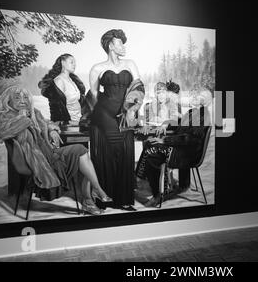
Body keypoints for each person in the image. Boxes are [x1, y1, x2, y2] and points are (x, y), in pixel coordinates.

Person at [0, 86, 111, 215]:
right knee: (82, 156)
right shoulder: (3, 117)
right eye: (17, 97)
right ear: (8, 100)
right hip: (36, 161)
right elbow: (1, 133)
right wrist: (22, 119)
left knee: (82, 151)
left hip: (48, 153)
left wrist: (52, 129)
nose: (22, 100)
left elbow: (45, 122)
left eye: (25, 97)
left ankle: (93, 194)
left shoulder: (32, 112)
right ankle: (92, 196)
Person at [89, 29, 145, 211]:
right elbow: (94, 96)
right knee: (111, 153)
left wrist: (132, 109)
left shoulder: (130, 63)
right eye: (120, 43)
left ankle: (124, 200)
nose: (123, 46)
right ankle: (106, 198)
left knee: (125, 153)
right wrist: (97, 116)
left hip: (125, 114)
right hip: (104, 114)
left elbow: (138, 88)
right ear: (110, 45)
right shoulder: (97, 68)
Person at [136, 87, 212, 207]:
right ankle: (141, 179)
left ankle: (156, 193)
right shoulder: (192, 112)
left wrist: (164, 140)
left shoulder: (202, 115)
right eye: (192, 95)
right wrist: (166, 124)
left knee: (152, 150)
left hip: (188, 154)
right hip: (181, 149)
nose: (192, 97)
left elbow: (189, 139)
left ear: (203, 101)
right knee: (150, 143)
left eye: (196, 96)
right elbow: (180, 128)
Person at [38, 54, 85, 124]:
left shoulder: (73, 80)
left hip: (79, 120)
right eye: (71, 62)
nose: (74, 65)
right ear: (63, 63)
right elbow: (57, 106)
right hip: (68, 123)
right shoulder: (59, 81)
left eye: (75, 63)